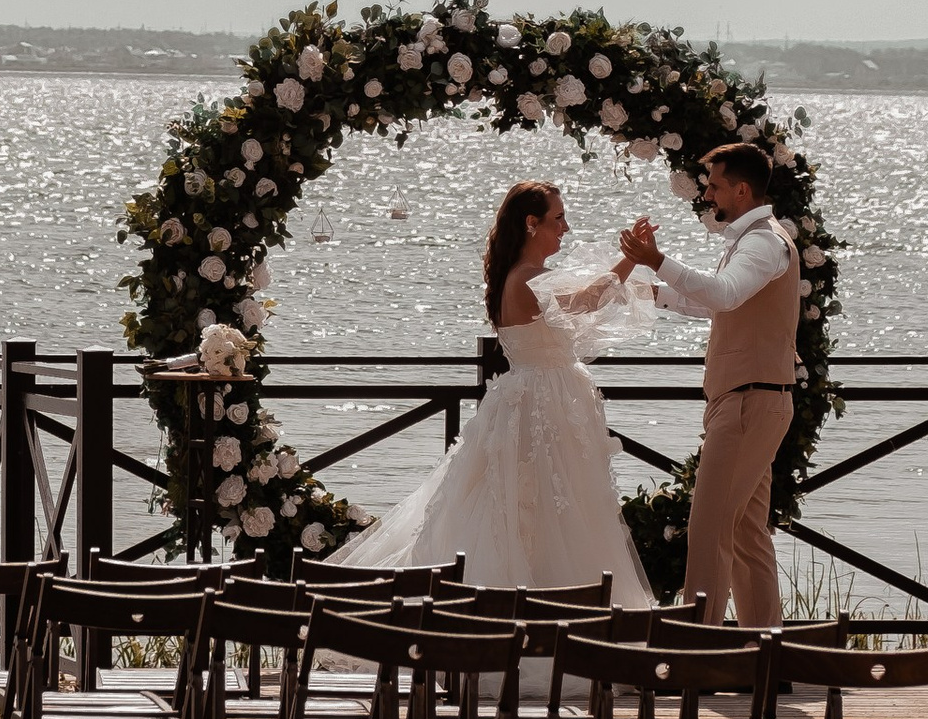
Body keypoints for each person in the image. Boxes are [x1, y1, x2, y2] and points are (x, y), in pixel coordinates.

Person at [324, 180, 656, 599]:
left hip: (536, 401)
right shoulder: (526, 280)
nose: (565, 228)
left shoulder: (523, 276)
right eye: (558, 218)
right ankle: (543, 607)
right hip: (540, 407)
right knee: (537, 508)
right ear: (531, 223)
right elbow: (588, 300)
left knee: (546, 506)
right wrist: (630, 258)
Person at [619, 142, 795, 629]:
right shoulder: (754, 240)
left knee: (710, 528)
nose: (709, 195)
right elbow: (718, 304)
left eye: (715, 186)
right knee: (744, 534)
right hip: (752, 401)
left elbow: (723, 293)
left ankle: (697, 651)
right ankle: (764, 655)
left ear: (741, 189)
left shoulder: (762, 241)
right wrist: (656, 293)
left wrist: (658, 260)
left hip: (747, 404)